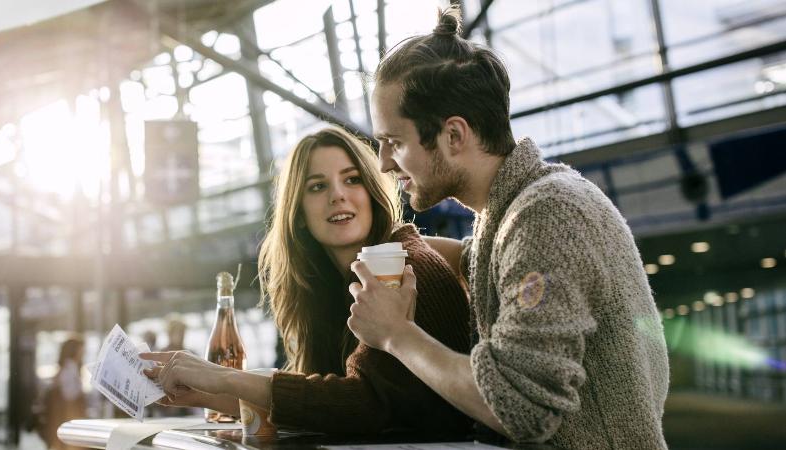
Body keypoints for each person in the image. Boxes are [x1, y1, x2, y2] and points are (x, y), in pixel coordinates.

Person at [346, 6, 669, 449]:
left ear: (454, 136)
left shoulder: (549, 216)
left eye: (395, 142)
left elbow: (521, 408)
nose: (384, 163)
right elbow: (487, 260)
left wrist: (395, 334)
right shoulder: (511, 215)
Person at [142, 126, 472, 434]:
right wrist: (197, 392)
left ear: (372, 192)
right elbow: (320, 403)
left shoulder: (406, 267)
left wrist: (224, 378)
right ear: (298, 215)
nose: (338, 195)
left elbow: (365, 405)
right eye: (317, 186)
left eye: (352, 179)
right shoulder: (327, 289)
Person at [37, 336, 87, 450]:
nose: (83, 352)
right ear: (74, 350)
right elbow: (70, 395)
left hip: (62, 419)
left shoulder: (64, 368)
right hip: (67, 418)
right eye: (82, 349)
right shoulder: (70, 368)